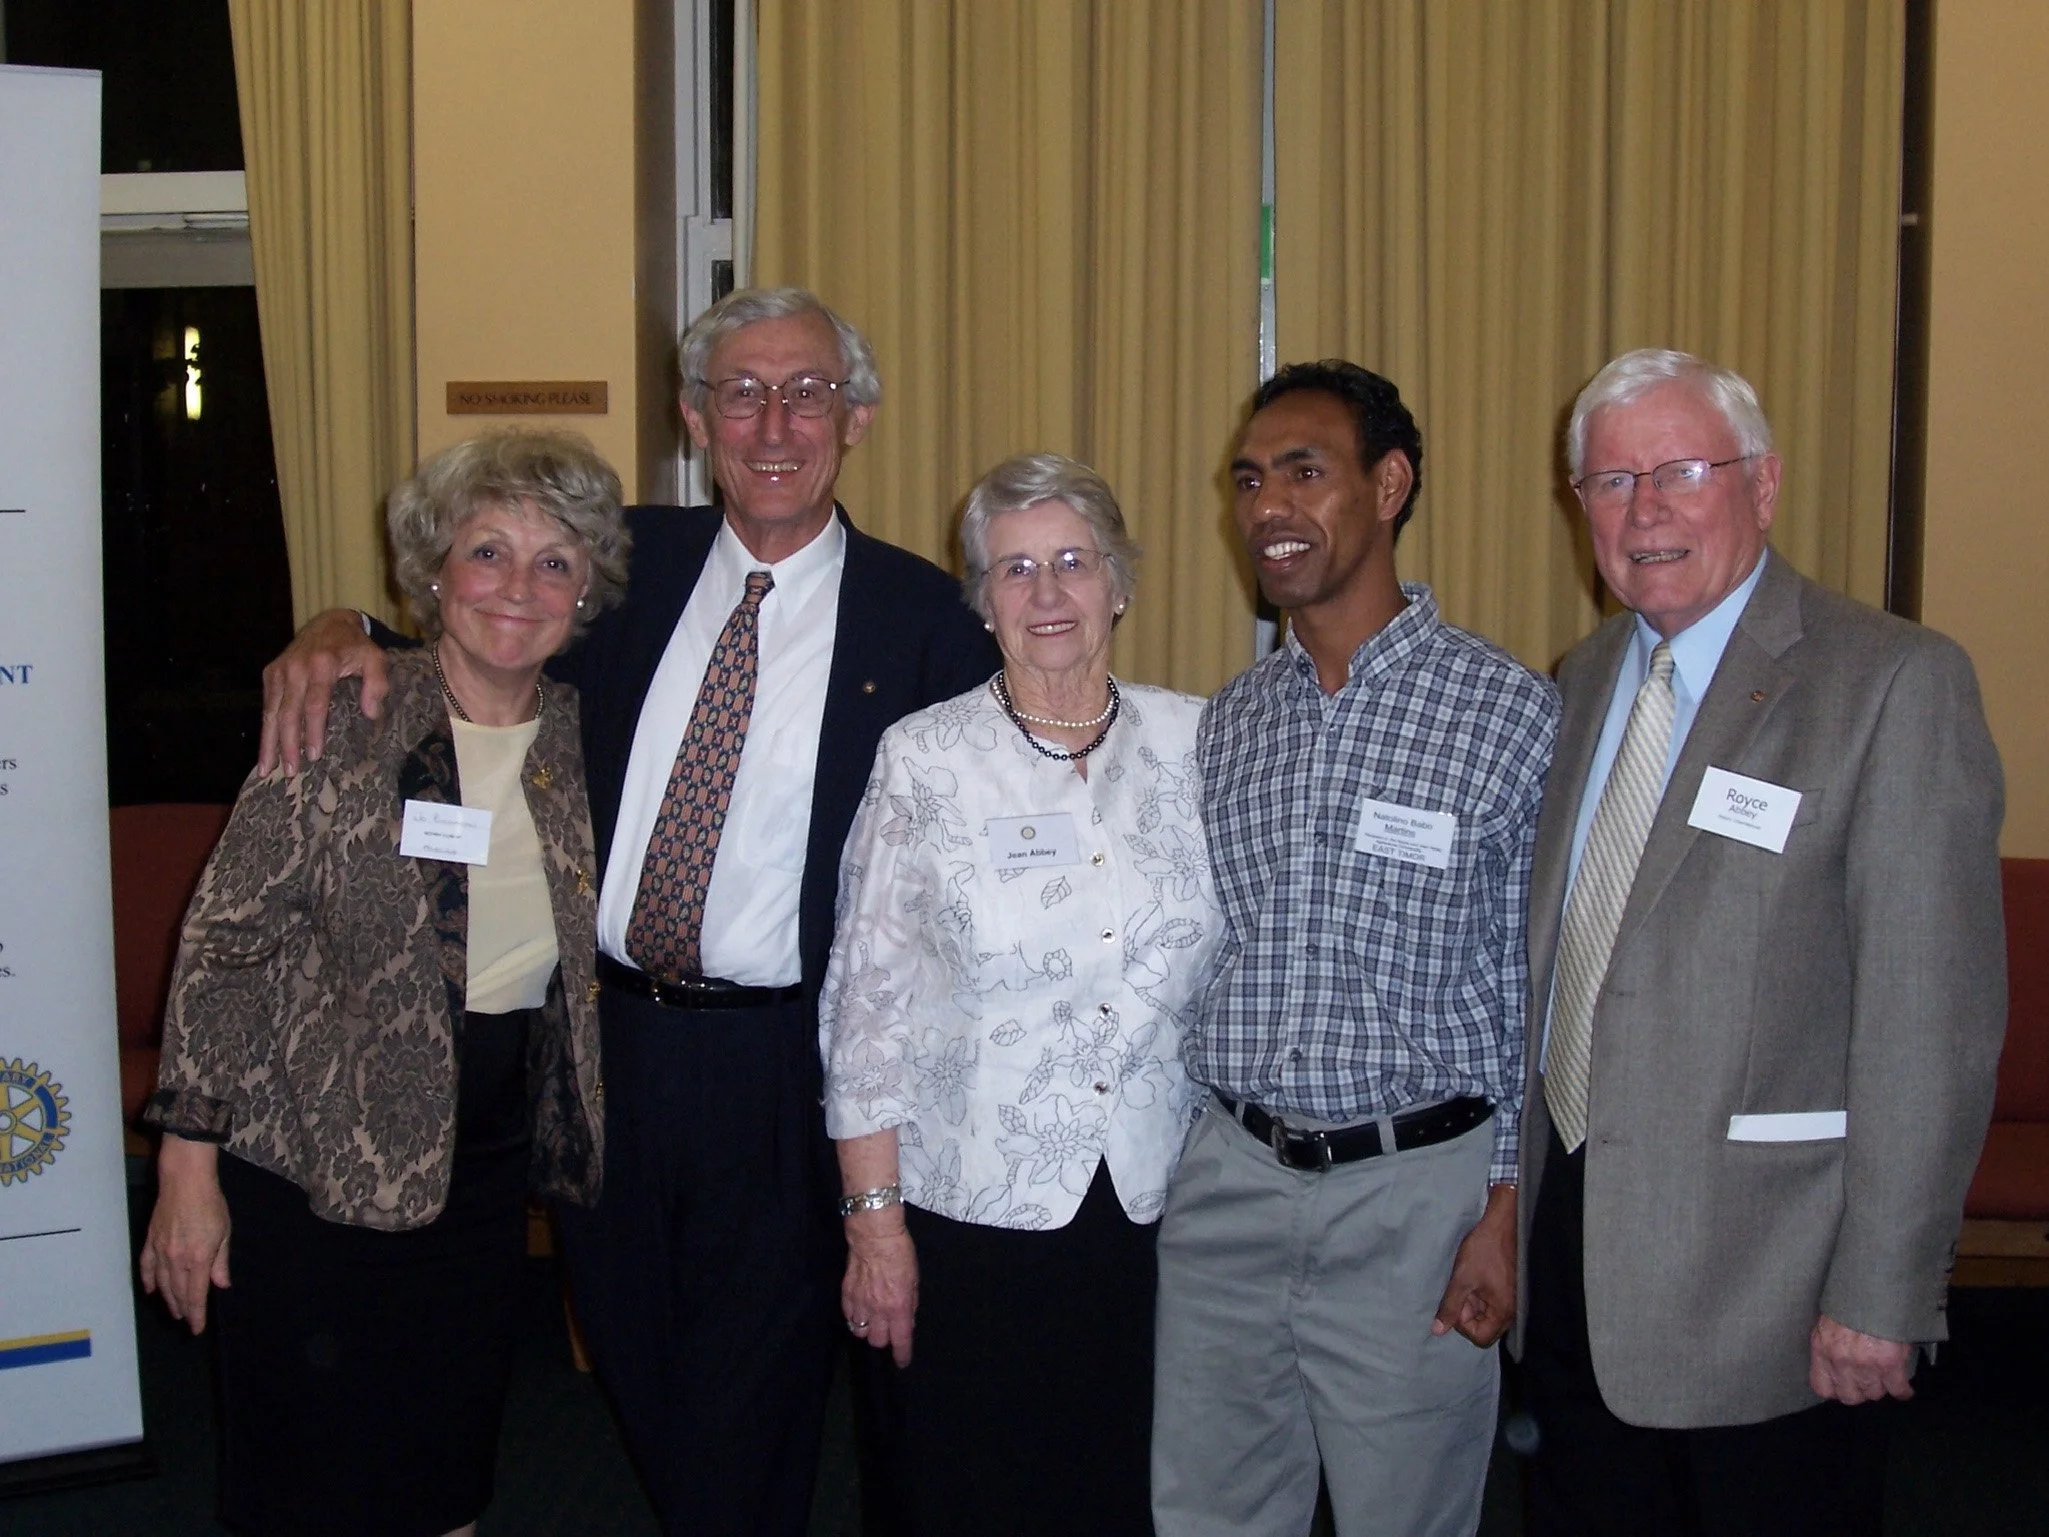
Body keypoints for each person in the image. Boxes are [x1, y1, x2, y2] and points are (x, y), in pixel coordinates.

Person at [255, 287, 999, 1537]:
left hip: (786, 1067)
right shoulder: (623, 569)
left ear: (856, 417)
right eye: (740, 391)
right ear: (695, 415)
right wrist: (343, 629)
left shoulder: (920, 619)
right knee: (636, 1356)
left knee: (746, 1402)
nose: (773, 421)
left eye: (806, 391)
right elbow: (483, 632)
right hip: (598, 1050)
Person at [1512, 348, 2006, 1537]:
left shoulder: (1889, 683)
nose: (1646, 509)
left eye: (1681, 470)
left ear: (1765, 484)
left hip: (1774, 1289)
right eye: (1610, 483)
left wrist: (1884, 1290)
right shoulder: (1579, 684)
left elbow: (1928, 1022)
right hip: (1578, 1262)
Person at [138, 429, 627, 1537]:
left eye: (555, 561)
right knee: (308, 1474)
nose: (518, 586)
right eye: (488, 551)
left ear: (585, 590)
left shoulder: (582, 734)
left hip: (484, 1162)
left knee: (443, 1459)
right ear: (434, 571)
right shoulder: (340, 717)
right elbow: (226, 945)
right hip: (313, 1159)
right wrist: (187, 1167)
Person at [1152, 361, 1560, 1537]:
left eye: (1303, 472)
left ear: (1389, 485)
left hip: (1415, 1202)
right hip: (1231, 1184)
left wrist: (1506, 1209)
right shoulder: (1230, 726)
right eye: (1249, 479)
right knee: (1211, 1516)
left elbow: (1540, 986)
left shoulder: (1509, 714)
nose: (1269, 505)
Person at [821, 452, 1220, 1534]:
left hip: (1161, 1209)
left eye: (1073, 563)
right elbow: (863, 1012)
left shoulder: (1203, 744)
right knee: (971, 1489)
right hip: (971, 1212)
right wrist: (874, 1226)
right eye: (1016, 569)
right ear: (984, 602)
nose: (1047, 593)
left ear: (1120, 585)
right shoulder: (924, 759)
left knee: (1133, 1485)